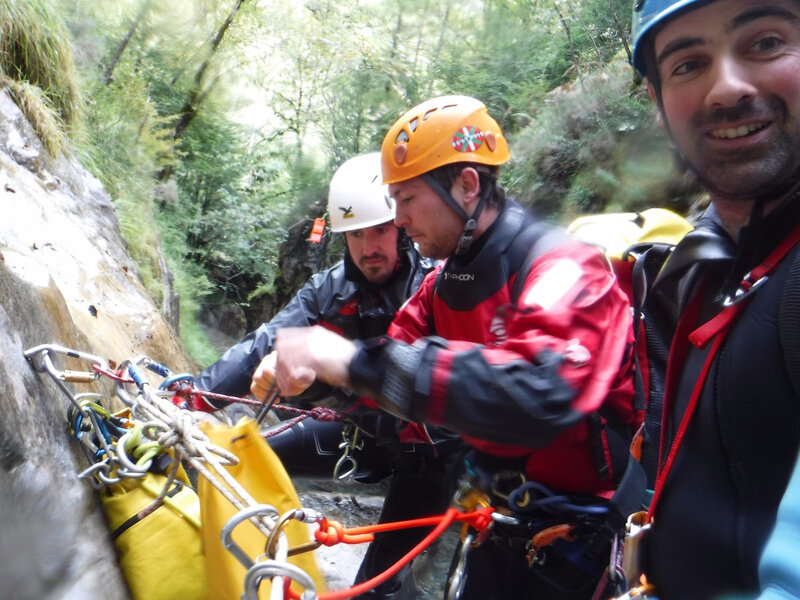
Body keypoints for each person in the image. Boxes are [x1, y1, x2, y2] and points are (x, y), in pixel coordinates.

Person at [252, 95, 640, 599]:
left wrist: (343, 359)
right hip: (498, 517)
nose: (400, 218)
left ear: (467, 184)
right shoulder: (441, 289)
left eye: (407, 199)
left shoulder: (564, 266)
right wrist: (313, 379)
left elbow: (539, 391)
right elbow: (389, 383)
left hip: (582, 533)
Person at [196, 152, 462, 600]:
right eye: (355, 234)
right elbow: (262, 345)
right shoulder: (328, 289)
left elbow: (421, 391)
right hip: (357, 435)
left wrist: (326, 380)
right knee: (238, 462)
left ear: (401, 226)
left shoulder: (434, 287)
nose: (368, 247)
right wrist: (193, 398)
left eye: (379, 230)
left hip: (429, 455)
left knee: (377, 587)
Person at [630, 1, 800, 598]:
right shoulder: (697, 272)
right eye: (688, 64)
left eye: (766, 42)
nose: (725, 89)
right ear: (657, 103)